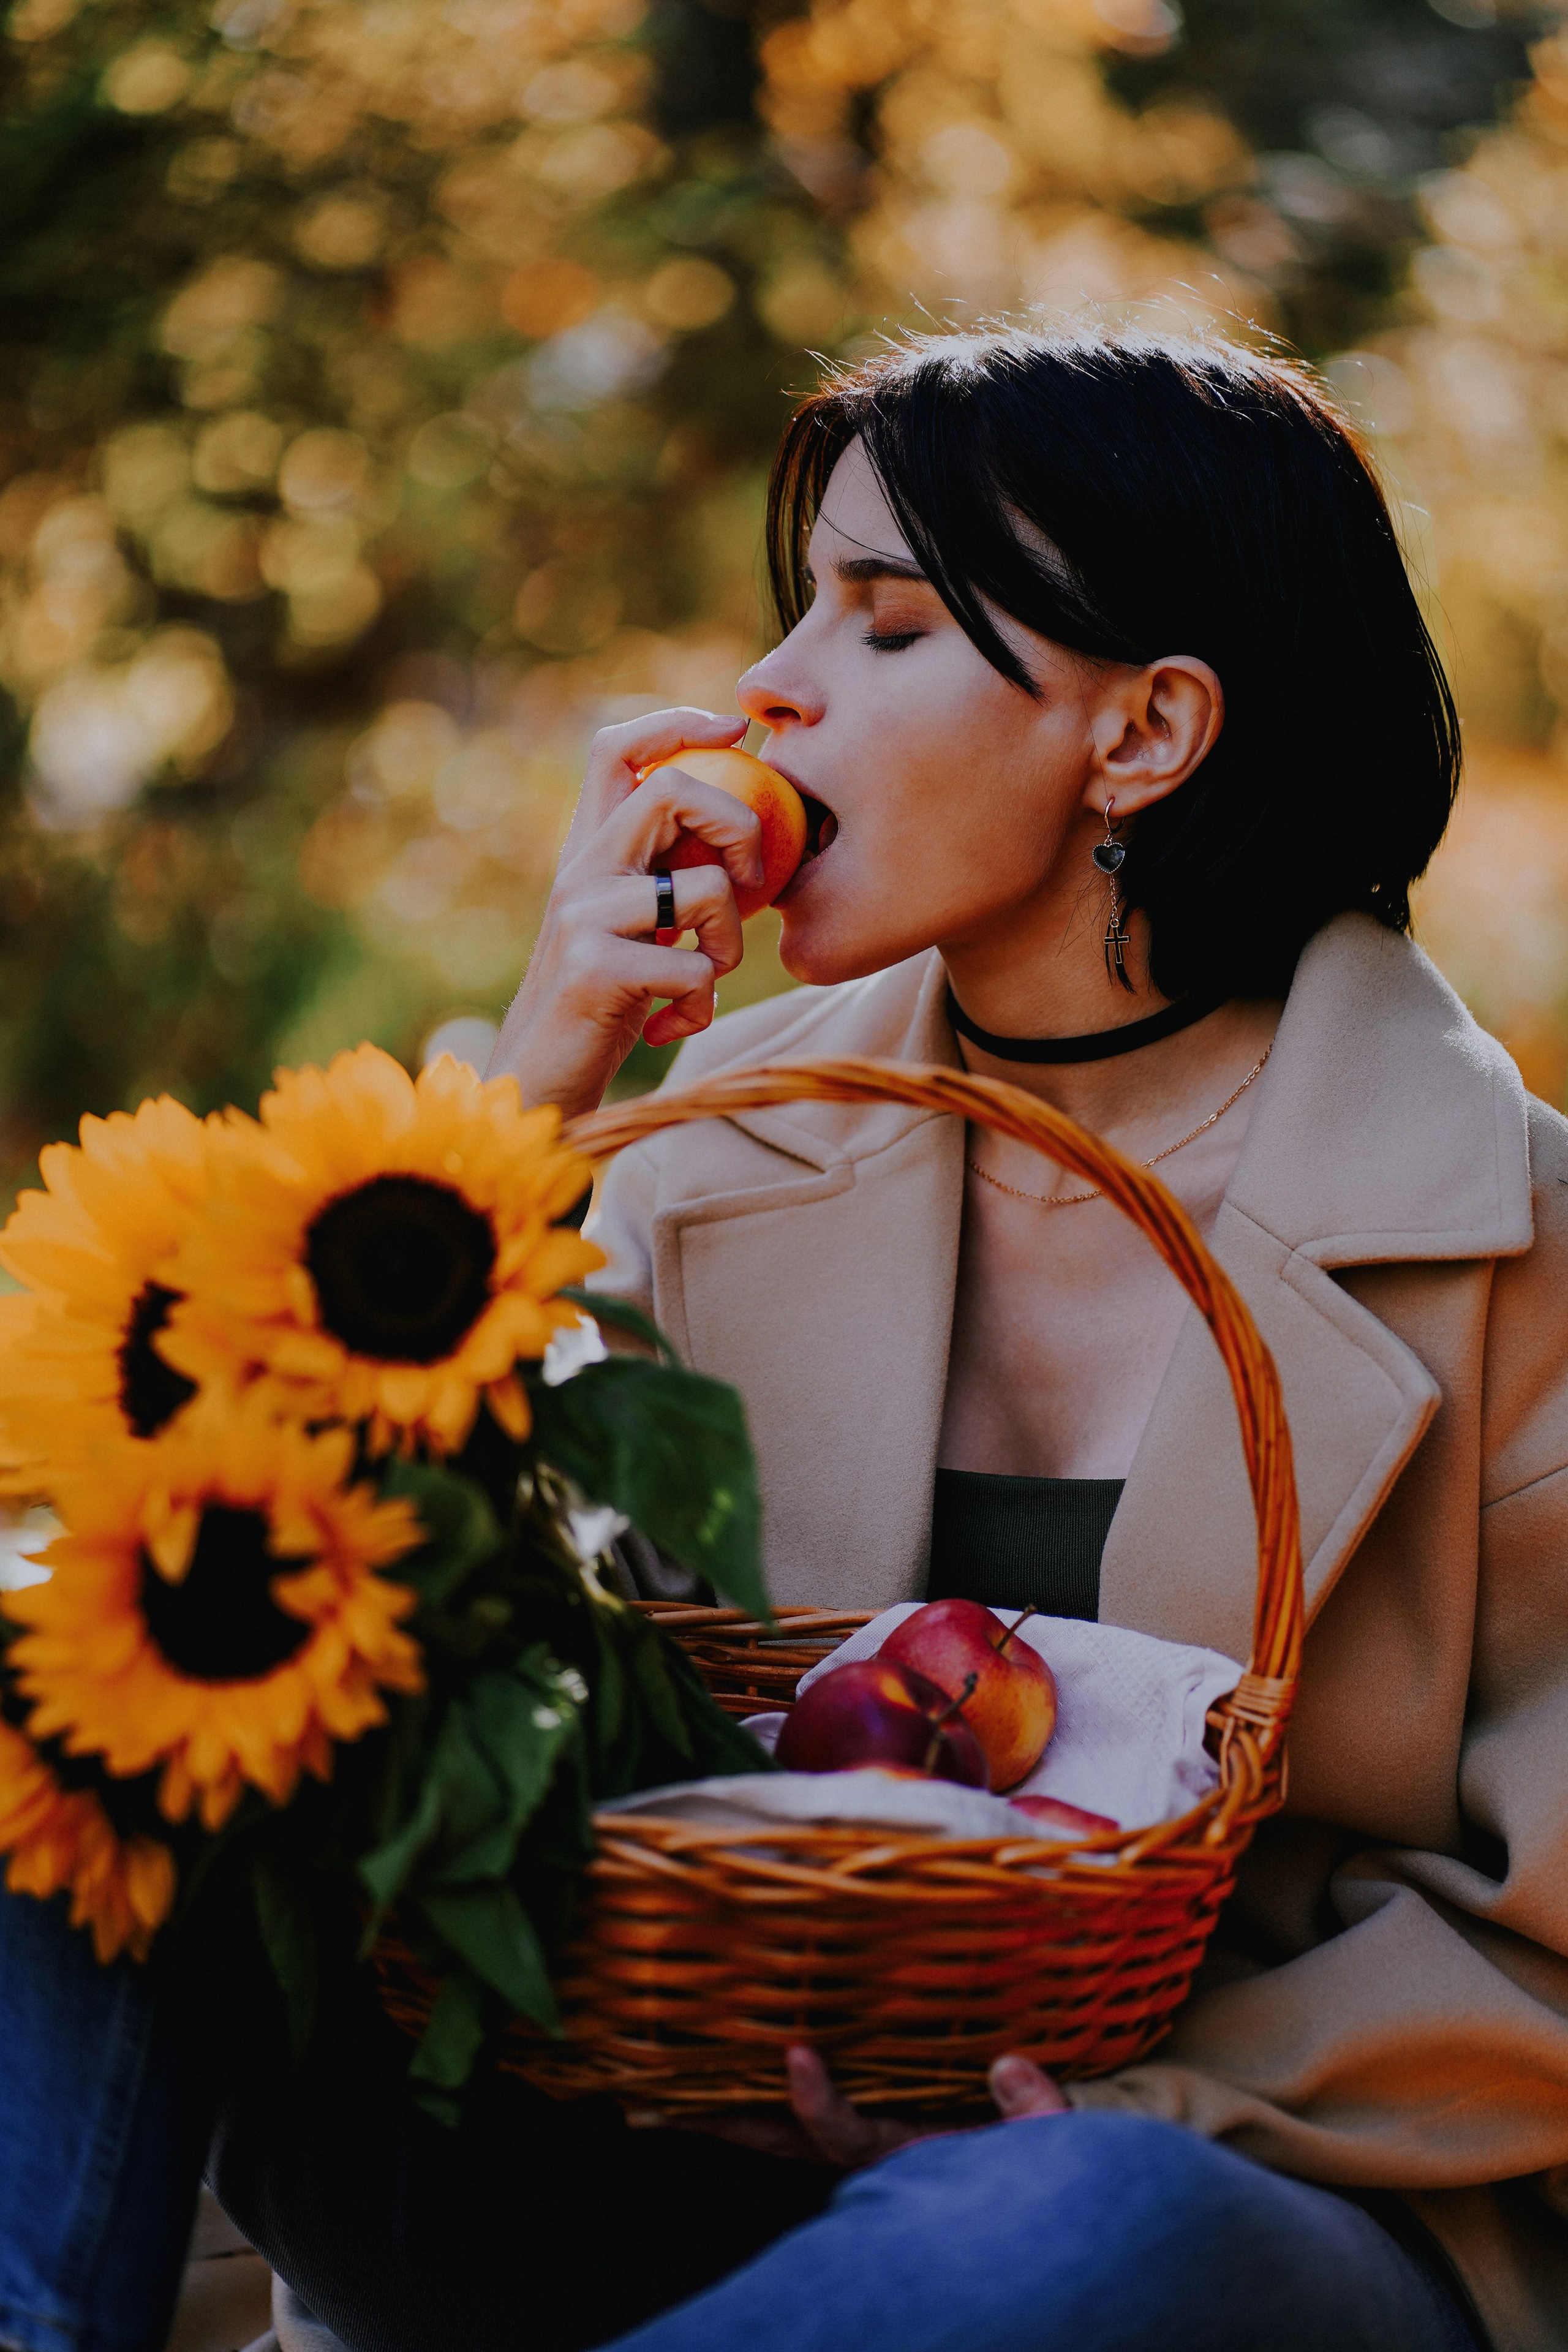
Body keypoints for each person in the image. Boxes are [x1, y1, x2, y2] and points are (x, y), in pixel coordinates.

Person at [2, 322, 1564, 2352]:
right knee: (69, 1692)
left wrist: (1089, 2109)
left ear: (1146, 733)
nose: (766, 689)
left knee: (1074, 2222)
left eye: (885, 621)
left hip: (1251, 2192)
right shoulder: (707, 1139)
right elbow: (278, 1582)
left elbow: (1541, 1951)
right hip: (668, 2125)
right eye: (797, 604)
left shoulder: (1519, 1242)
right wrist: (546, 1078)